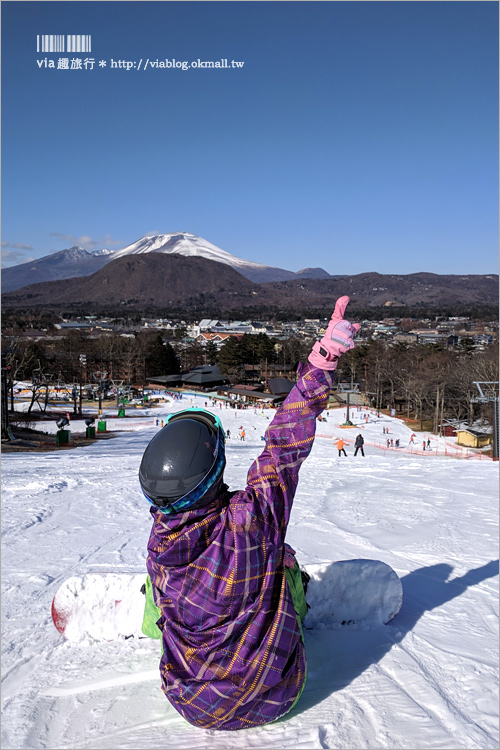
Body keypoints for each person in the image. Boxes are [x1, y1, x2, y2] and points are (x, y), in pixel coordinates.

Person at [138, 296, 359, 730]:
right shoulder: (253, 520)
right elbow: (283, 445)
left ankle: (157, 622)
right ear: (215, 469)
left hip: (191, 704)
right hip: (276, 695)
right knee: (283, 558)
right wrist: (323, 360)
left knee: (157, 585)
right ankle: (289, 614)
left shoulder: (161, 542)